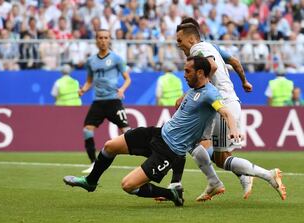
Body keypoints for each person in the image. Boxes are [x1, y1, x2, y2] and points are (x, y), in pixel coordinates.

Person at [64, 56, 240, 207]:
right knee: (110, 146)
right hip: (157, 133)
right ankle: (90, 182)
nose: (184, 75)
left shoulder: (211, 94)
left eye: (187, 71)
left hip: (169, 151)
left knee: (128, 185)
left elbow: (225, 112)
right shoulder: (195, 88)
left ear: (200, 73)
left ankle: (172, 194)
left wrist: (234, 130)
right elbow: (209, 70)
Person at [175, 23, 286, 201]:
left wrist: (190, 92)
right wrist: (244, 82)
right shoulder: (211, 47)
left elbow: (212, 66)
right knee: (197, 142)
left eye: (180, 40)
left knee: (219, 157)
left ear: (191, 38)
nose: (178, 44)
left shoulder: (197, 49)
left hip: (222, 103)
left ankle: (266, 175)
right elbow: (234, 62)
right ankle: (216, 181)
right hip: (221, 102)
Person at [80, 29, 131, 173]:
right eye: (100, 37)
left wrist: (122, 90)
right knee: (87, 130)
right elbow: (89, 81)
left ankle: (147, 156)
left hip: (113, 101)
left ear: (109, 40)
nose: (103, 40)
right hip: (98, 102)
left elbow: (128, 78)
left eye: (106, 38)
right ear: (96, 40)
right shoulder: (91, 61)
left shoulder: (116, 58)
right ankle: (93, 163)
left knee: (127, 132)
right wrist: (83, 89)